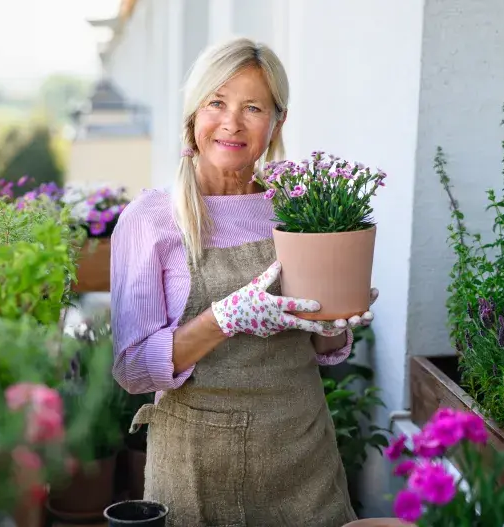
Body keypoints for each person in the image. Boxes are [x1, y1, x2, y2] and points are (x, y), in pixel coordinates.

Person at [110, 37, 379, 527]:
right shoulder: (151, 219)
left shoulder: (297, 207)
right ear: (194, 113)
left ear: (277, 122)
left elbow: (319, 341)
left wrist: (337, 322)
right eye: (217, 102)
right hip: (198, 464)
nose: (232, 122)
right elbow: (132, 370)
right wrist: (223, 319)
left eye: (252, 107)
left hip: (302, 452)